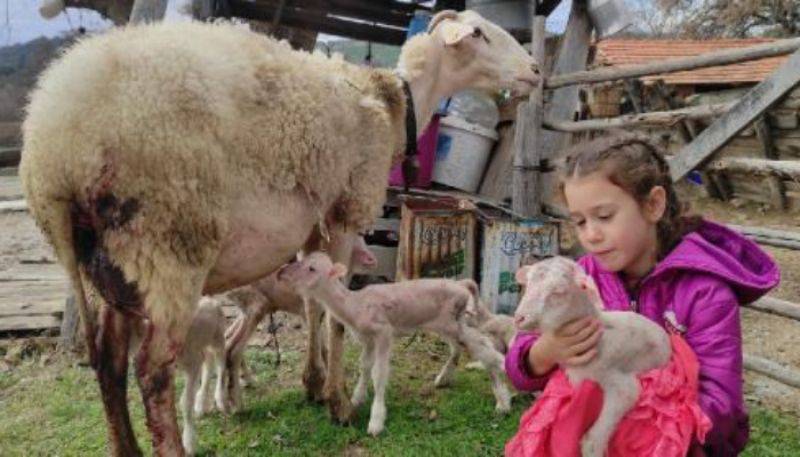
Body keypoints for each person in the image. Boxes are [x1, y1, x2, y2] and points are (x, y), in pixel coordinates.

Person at [505, 133, 780, 456]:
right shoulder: (580, 280)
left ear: (653, 205)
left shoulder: (704, 292)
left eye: (604, 217)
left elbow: (720, 402)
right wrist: (544, 352)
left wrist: (642, 429)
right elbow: (519, 361)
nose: (590, 235)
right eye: (579, 222)